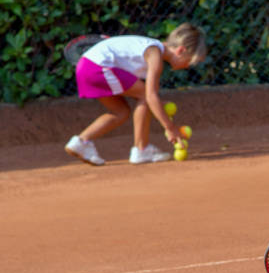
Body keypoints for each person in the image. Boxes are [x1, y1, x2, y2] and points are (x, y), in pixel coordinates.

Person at [64, 23, 206, 166]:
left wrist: (159, 105)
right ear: (181, 50)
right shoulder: (154, 53)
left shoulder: (152, 50)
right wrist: (170, 128)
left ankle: (81, 142)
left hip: (85, 67)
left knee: (120, 112)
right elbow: (150, 97)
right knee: (145, 97)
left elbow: (151, 97)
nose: (188, 66)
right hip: (97, 67)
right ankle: (141, 149)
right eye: (190, 61)